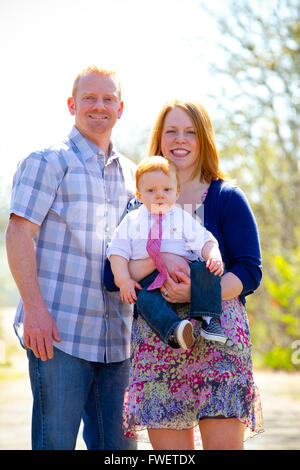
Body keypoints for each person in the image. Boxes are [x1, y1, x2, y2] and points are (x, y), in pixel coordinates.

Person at [5, 65, 137, 450]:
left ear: (120, 107)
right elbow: (18, 233)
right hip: (60, 334)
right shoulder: (47, 161)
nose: (99, 106)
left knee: (119, 451)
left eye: (108, 99)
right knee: (55, 444)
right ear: (72, 104)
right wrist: (34, 309)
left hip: (119, 339)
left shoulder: (132, 175)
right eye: (89, 98)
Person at [122, 99, 264, 450]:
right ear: (160, 139)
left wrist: (198, 295)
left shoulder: (225, 197)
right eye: (171, 131)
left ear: (203, 140)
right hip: (160, 341)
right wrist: (160, 259)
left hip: (218, 341)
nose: (180, 140)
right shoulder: (138, 204)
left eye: (190, 132)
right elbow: (116, 274)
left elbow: (249, 270)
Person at [107, 155, 226, 351]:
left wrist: (213, 254)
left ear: (177, 193)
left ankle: (209, 318)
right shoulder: (131, 221)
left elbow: (204, 239)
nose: (159, 195)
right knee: (144, 300)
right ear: (139, 195)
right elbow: (117, 252)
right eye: (151, 190)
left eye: (167, 190)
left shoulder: (182, 217)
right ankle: (175, 330)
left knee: (207, 270)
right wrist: (124, 280)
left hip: (184, 271)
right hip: (149, 279)